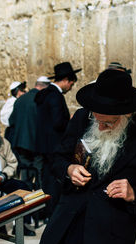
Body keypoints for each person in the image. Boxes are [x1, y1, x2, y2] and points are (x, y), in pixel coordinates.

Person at [32, 69, 136, 244]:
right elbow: (57, 158)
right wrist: (69, 169)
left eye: (108, 123)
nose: (100, 127)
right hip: (63, 231)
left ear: (127, 114)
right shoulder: (82, 119)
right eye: (96, 119)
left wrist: (134, 194)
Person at [34, 62, 81, 220]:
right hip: (53, 147)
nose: (71, 87)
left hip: (44, 146)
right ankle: (52, 214)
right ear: (67, 80)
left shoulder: (45, 93)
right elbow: (57, 123)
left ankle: (47, 211)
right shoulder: (55, 96)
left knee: (47, 180)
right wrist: (71, 121)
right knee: (54, 183)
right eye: (72, 84)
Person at [9, 76, 50, 191]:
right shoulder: (42, 100)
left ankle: (25, 200)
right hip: (37, 144)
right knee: (39, 174)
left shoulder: (20, 100)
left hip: (21, 143)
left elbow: (11, 121)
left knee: (25, 174)